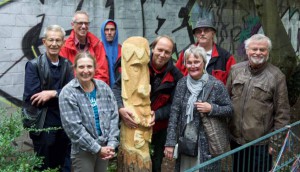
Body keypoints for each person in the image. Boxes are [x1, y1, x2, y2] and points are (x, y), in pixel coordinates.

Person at [113, 35, 183, 172]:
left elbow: (176, 105)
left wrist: (157, 114)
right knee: (133, 161)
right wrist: (120, 108)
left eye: (167, 52)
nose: (162, 55)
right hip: (134, 124)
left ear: (171, 54)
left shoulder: (175, 76)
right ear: (153, 48)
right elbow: (116, 87)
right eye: (160, 50)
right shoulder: (138, 63)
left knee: (156, 162)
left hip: (159, 125)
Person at [227, 34, 290, 172]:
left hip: (261, 144)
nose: (258, 52)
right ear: (247, 50)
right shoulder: (235, 70)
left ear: (268, 52)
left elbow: (282, 113)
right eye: (254, 49)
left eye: (262, 49)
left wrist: (276, 143)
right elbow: (226, 101)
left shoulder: (276, 76)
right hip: (236, 141)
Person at [164, 45, 232, 171]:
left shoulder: (216, 85)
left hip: (207, 145)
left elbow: (229, 109)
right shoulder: (182, 84)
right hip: (186, 142)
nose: (193, 66)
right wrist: (170, 143)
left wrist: (211, 108)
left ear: (204, 63)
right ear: (184, 64)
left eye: (196, 62)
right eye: (189, 62)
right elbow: (174, 114)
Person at [23, 25, 74, 171]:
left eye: (58, 40)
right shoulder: (33, 66)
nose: (54, 44)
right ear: (44, 42)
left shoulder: (67, 64)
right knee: (43, 166)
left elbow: (72, 92)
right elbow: (34, 97)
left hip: (64, 125)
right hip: (43, 125)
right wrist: (61, 93)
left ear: (63, 42)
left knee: (62, 165)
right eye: (51, 40)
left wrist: (52, 93)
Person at [59, 52, 119, 172]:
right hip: (83, 151)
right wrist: (97, 149)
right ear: (75, 68)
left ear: (95, 68)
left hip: (105, 146)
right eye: (81, 67)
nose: (85, 70)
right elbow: (74, 129)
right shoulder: (68, 93)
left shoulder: (104, 87)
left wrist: (111, 144)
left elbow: (114, 116)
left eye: (89, 66)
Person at [176, 17, 236, 85]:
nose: (202, 33)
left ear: (213, 34)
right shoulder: (185, 54)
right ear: (195, 35)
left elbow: (233, 82)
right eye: (198, 31)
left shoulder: (226, 57)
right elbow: (177, 77)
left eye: (206, 30)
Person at [60, 10, 109, 84]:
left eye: (86, 23)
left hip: (94, 90)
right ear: (72, 25)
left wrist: (91, 88)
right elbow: (63, 75)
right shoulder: (64, 47)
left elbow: (102, 74)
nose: (83, 26)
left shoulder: (97, 45)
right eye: (80, 23)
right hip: (71, 90)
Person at [100, 19, 122, 87]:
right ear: (103, 31)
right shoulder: (98, 49)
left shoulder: (121, 49)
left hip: (119, 88)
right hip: (103, 88)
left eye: (112, 29)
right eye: (106, 29)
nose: (109, 32)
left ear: (116, 31)